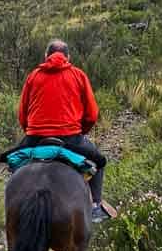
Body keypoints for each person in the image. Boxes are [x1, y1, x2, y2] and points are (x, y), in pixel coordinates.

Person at [15, 39, 109, 223]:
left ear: (45, 56)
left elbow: (22, 113)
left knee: (15, 163)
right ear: (68, 57)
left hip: (35, 137)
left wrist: (31, 130)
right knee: (100, 162)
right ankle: (96, 206)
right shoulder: (78, 75)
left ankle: (15, 207)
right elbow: (92, 114)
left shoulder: (33, 76)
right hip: (70, 137)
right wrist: (81, 131)